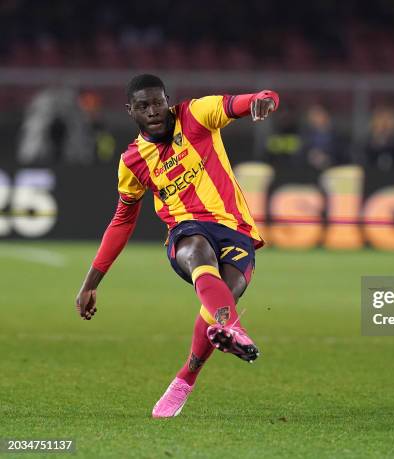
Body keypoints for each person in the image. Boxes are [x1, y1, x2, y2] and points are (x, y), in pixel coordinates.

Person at [74, 74, 279, 418]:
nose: (153, 111)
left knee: (225, 295)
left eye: (158, 102)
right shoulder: (133, 161)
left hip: (236, 230)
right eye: (143, 106)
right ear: (130, 111)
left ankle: (185, 379)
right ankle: (232, 325)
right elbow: (122, 221)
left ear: (168, 100)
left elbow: (244, 100)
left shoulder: (196, 115)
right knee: (197, 249)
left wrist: (263, 99)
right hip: (185, 231)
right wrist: (90, 284)